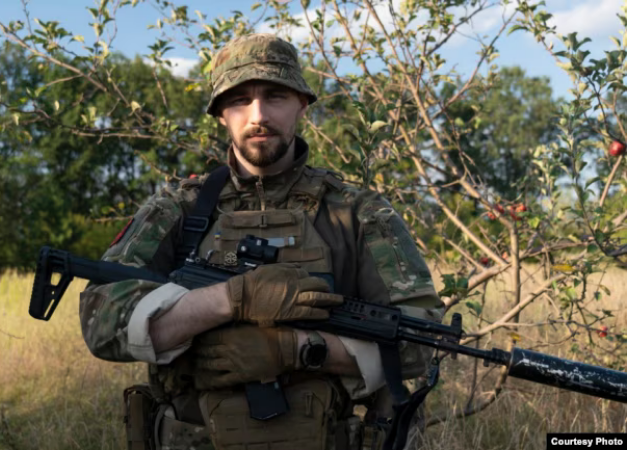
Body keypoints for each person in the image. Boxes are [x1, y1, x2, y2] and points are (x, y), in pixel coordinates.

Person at [80, 33, 444, 450]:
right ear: (221, 114)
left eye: (275, 96)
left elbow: (419, 342)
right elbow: (100, 321)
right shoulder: (177, 209)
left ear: (301, 104)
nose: (258, 115)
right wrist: (227, 300)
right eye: (240, 100)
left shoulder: (358, 212)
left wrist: (297, 350)